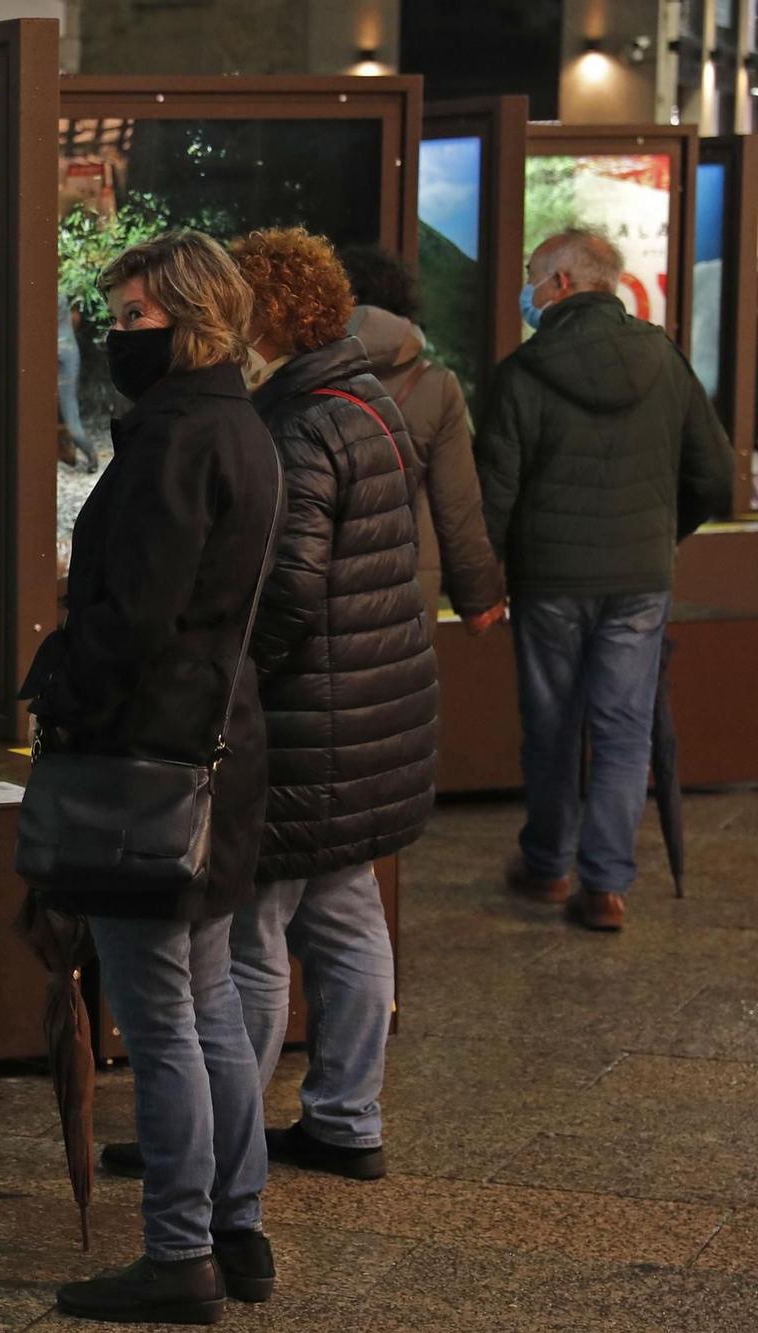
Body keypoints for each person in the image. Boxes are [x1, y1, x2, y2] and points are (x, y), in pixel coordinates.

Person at [23, 230, 281, 1324]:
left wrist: (58, 687)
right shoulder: (240, 428)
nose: (113, 336)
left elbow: (130, 617)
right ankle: (234, 1223)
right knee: (208, 998)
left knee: (161, 1018)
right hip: (212, 757)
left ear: (191, 320)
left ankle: (178, 1252)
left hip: (144, 765)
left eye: (131, 319)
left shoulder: (176, 441)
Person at [222, 227, 438, 1183]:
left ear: (268, 313)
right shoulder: (369, 399)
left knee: (251, 932)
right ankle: (347, 1118)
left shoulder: (299, 420)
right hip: (370, 712)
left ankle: (221, 1145)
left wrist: (232, 679)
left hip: (307, 720)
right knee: (348, 917)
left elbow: (289, 589)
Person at [476, 229, 733, 930]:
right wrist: (657, 535)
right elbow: (716, 475)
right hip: (640, 579)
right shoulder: (664, 358)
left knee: (552, 724)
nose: (527, 290)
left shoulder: (522, 374)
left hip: (551, 582)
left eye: (532, 275)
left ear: (561, 284)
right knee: (625, 728)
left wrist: (479, 579)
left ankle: (549, 863)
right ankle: (607, 884)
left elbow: (492, 495)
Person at [337, 244, 508, 633]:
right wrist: (478, 599)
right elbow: (458, 506)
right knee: (402, 687)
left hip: (318, 577)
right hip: (408, 579)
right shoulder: (435, 385)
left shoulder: (297, 372)